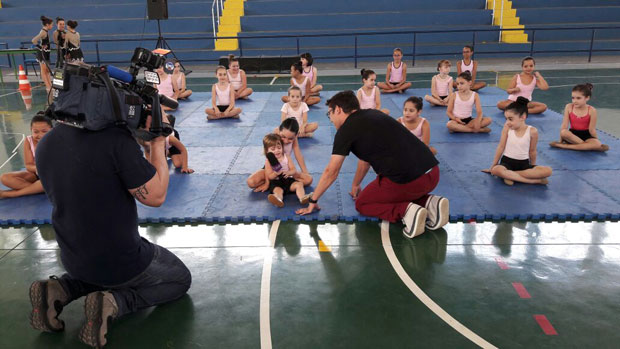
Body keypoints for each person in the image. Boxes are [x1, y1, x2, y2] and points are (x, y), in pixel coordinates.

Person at [31, 111, 192, 347]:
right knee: (180, 279)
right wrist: (157, 141)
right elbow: (156, 196)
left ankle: (61, 288)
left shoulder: (47, 141)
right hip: (122, 260)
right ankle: (116, 302)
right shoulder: (116, 142)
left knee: (100, 268)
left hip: (72, 257)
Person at [296, 91, 449, 238]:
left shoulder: (345, 131)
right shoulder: (375, 113)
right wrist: (356, 184)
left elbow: (331, 171)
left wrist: (313, 200)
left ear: (338, 110)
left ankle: (407, 212)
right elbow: (366, 159)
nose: (330, 119)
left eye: (330, 114)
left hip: (408, 182)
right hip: (433, 173)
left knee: (363, 203)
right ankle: (430, 203)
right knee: (388, 184)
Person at [484, 97, 552, 185]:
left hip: (524, 165)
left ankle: (509, 176)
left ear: (522, 117)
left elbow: (532, 151)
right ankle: (533, 181)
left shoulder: (532, 131)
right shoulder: (507, 127)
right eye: (506, 119)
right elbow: (501, 146)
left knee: (548, 171)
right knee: (496, 169)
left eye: (510, 119)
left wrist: (532, 168)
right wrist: (493, 165)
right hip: (506, 164)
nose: (507, 122)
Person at [247, 118, 313, 191]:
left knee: (309, 180)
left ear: (296, 135)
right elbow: (268, 159)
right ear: (279, 130)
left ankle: (283, 185)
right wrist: (267, 183)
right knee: (251, 182)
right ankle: (277, 184)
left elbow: (298, 155)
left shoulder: (294, 138)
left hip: (286, 169)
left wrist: (305, 172)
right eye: (283, 137)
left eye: (290, 139)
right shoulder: (275, 134)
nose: (286, 141)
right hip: (272, 169)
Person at [0, 113, 52, 199]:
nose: (40, 135)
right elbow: (28, 165)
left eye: (44, 131)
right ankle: (37, 188)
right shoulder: (29, 140)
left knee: (47, 182)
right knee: (4, 178)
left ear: (51, 130)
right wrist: (37, 169)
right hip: (36, 174)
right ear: (31, 130)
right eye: (36, 132)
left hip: (51, 175)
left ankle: (9, 194)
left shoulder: (55, 140)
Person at [550, 83, 609, 152]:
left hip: (587, 135)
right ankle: (586, 146)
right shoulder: (569, 107)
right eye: (573, 98)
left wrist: (597, 140)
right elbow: (564, 125)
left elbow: (592, 129)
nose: (575, 101)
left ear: (587, 98)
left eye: (578, 98)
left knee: (597, 143)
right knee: (564, 132)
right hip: (573, 135)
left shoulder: (592, 110)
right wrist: (560, 140)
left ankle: (565, 146)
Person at [263, 133, 313, 208]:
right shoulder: (268, 161)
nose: (277, 151)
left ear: (282, 147)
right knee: (278, 191)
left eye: (279, 147)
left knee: (299, 184)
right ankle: (278, 199)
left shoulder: (286, 157)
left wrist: (289, 172)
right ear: (267, 151)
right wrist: (276, 173)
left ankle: (302, 197)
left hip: (288, 180)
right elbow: (270, 176)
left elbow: (293, 169)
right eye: (273, 149)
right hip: (276, 183)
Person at [31, 16, 53, 92]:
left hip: (46, 53)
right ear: (47, 25)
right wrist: (40, 47)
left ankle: (49, 84)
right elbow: (34, 40)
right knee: (44, 70)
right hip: (42, 53)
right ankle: (48, 86)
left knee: (47, 70)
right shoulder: (43, 31)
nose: (52, 26)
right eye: (51, 25)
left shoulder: (45, 31)